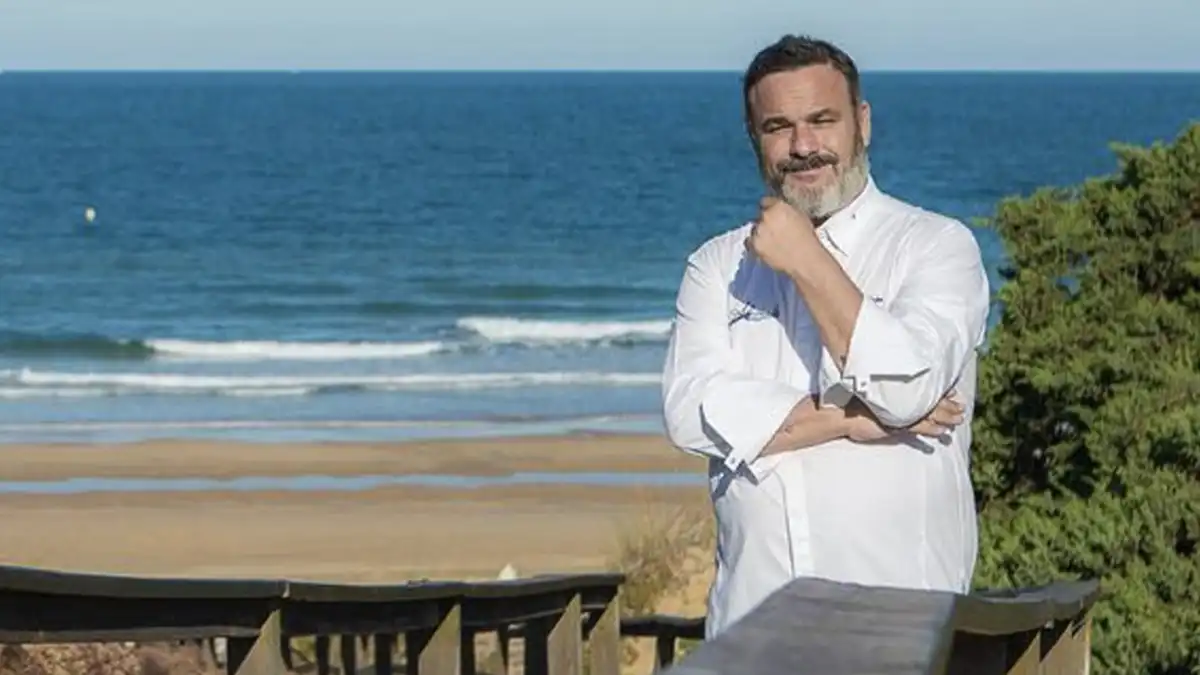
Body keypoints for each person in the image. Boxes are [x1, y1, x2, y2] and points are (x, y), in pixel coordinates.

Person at [660, 34, 991, 638]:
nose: (803, 146)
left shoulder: (937, 246)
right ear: (754, 138)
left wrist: (807, 260)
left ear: (862, 123)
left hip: (900, 632)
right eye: (778, 127)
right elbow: (689, 415)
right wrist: (848, 417)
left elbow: (903, 390)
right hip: (750, 634)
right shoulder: (717, 264)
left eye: (822, 120)